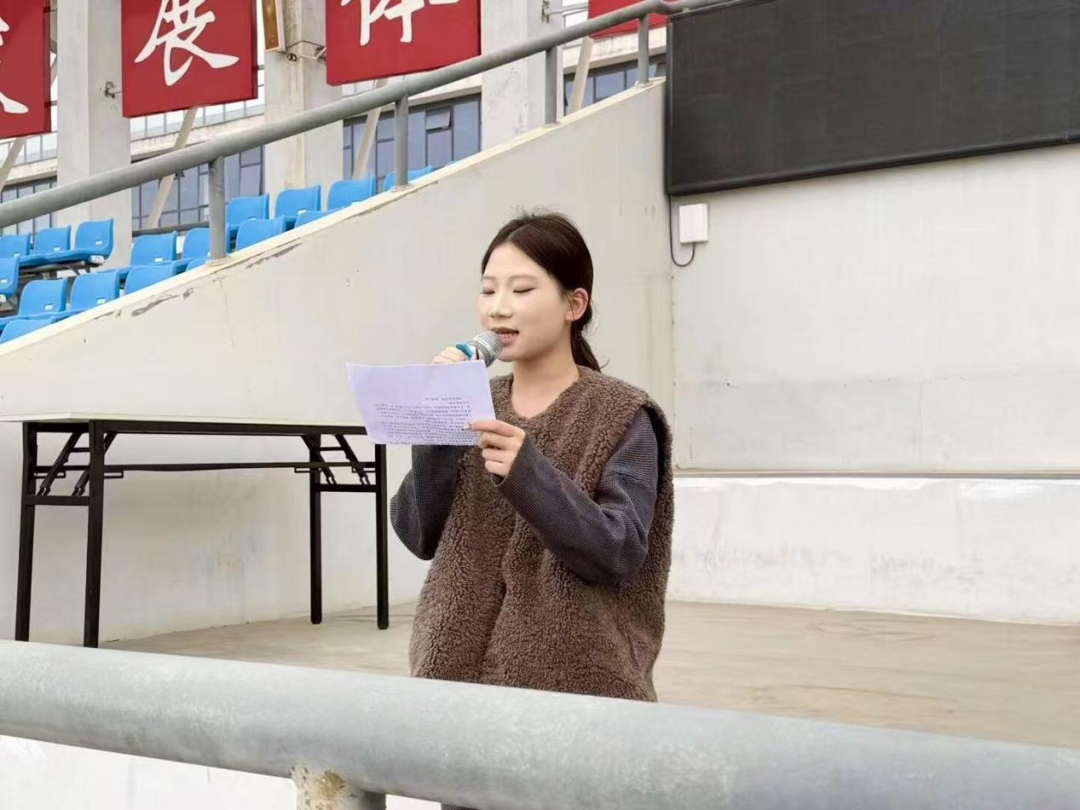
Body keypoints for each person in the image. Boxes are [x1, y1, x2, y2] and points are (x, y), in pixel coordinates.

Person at [390, 211, 673, 809]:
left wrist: (530, 474)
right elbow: (418, 533)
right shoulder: (472, 401)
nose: (499, 309)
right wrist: (436, 424)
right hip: (457, 690)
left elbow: (619, 552)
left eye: (521, 290)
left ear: (574, 304)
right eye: (488, 290)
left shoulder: (622, 414)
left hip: (576, 698)